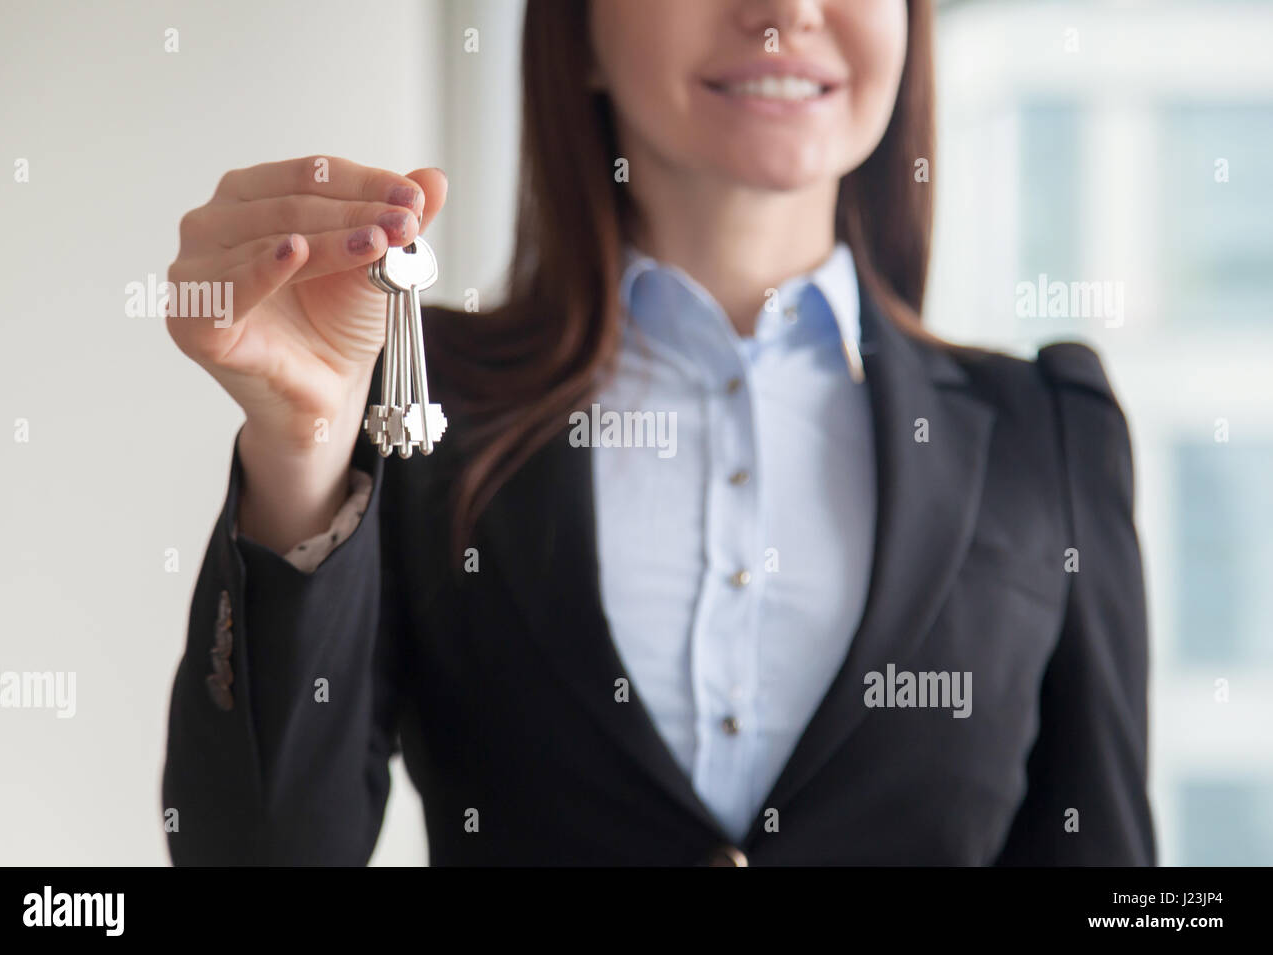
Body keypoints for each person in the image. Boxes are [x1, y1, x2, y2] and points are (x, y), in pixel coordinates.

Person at [162, 0, 1155, 866]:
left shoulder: (1047, 436)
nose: (787, 7)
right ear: (578, 32)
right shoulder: (419, 406)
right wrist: (303, 444)